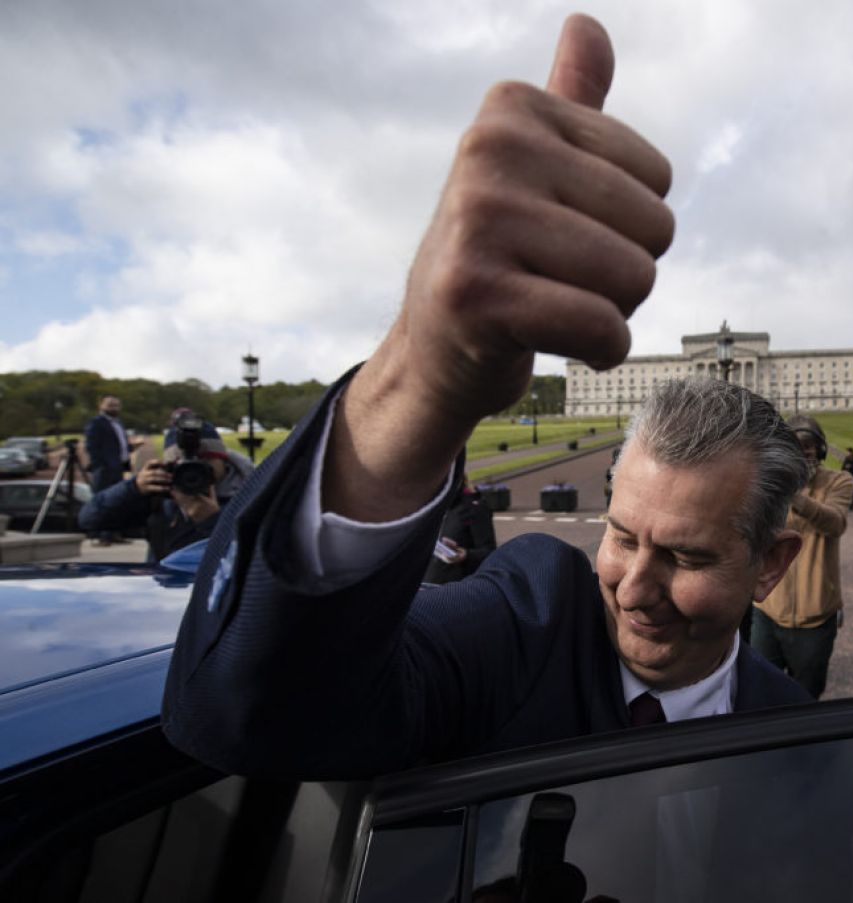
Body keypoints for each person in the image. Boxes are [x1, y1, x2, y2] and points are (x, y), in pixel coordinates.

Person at [162, 16, 814, 780]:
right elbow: (252, 717)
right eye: (623, 535)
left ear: (770, 563)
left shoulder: (800, 738)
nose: (634, 587)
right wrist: (422, 378)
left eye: (684, 554)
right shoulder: (527, 619)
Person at [751, 415, 853, 698]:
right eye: (795, 446)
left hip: (815, 617)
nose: (802, 452)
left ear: (820, 450)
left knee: (805, 696)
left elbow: (835, 523)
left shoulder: (838, 481)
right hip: (768, 610)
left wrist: (794, 495)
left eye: (808, 446)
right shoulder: (770, 486)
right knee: (758, 691)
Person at [79, 414, 253, 563]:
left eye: (204, 462)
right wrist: (133, 489)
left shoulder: (251, 495)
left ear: (223, 460)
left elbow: (253, 559)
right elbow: (90, 520)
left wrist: (212, 522)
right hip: (165, 592)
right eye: (184, 466)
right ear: (169, 466)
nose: (193, 473)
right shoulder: (160, 495)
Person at [423, 483, 498, 583]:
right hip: (425, 588)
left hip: (455, 588)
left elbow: (489, 553)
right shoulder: (429, 508)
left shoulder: (474, 508)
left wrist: (466, 555)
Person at [83, 395, 131, 544]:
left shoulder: (119, 424)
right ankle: (102, 535)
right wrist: (100, 465)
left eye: (116, 405)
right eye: (110, 405)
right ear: (101, 406)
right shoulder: (96, 423)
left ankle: (114, 533)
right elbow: (92, 446)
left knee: (117, 501)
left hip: (118, 467)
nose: (114, 408)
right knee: (103, 501)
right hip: (104, 469)